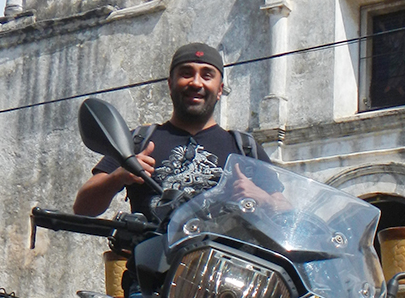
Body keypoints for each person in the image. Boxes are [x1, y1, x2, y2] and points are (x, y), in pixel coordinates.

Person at [74, 42, 277, 220]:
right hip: (151, 261)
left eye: (207, 75)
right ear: (170, 84)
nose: (196, 83)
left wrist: (264, 199)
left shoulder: (245, 148)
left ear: (220, 89)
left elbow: (288, 209)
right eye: (186, 73)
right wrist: (118, 176)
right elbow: (82, 207)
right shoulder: (138, 141)